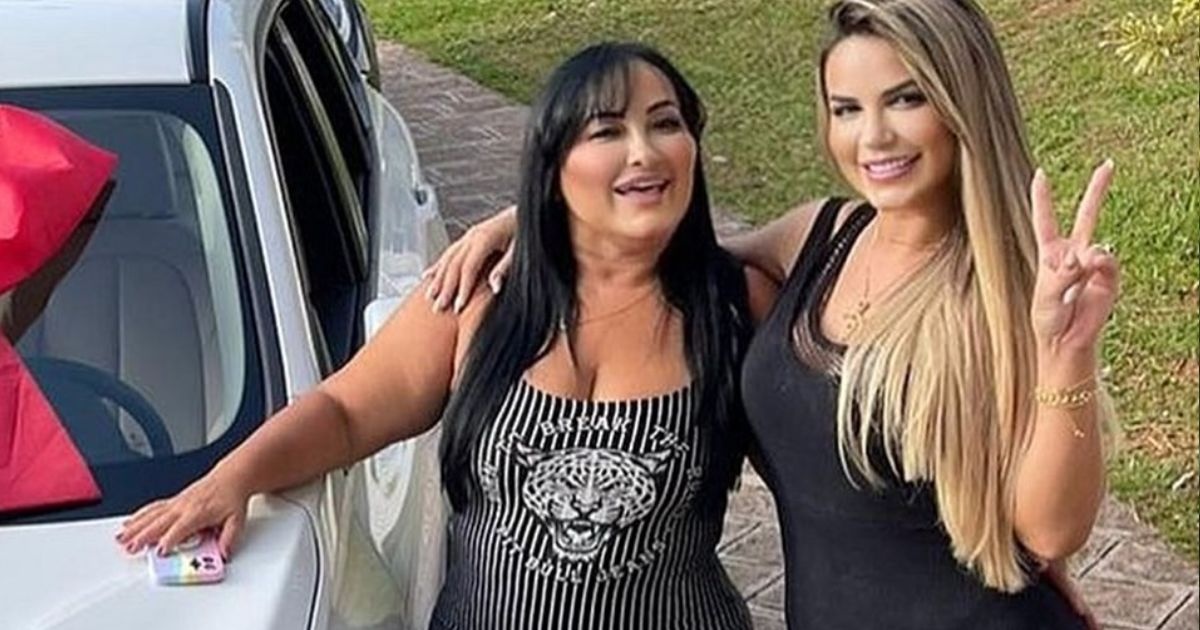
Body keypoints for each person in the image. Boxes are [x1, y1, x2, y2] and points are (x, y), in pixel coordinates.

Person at [424, 1, 1117, 627]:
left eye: (906, 100)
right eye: (846, 109)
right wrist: (535, 217)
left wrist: (1066, 353)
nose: (874, 137)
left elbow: (1049, 531)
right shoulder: (821, 235)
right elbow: (668, 247)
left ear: (962, 103)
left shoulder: (1004, 289)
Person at [116, 42, 776, 630]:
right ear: (553, 165)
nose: (644, 150)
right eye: (607, 130)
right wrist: (232, 479)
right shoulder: (481, 298)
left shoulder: (736, 306)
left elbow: (817, 498)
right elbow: (345, 413)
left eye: (666, 123)